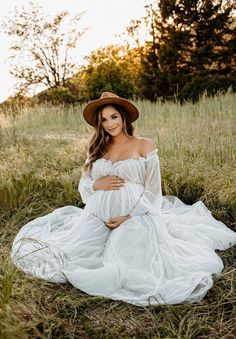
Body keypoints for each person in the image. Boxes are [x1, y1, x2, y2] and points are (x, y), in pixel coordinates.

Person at [11, 91, 236, 307]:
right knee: (74, 254)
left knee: (129, 260)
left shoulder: (144, 145)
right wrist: (96, 184)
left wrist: (128, 216)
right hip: (97, 214)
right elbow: (85, 184)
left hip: (135, 216)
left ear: (123, 117)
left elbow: (152, 189)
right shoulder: (96, 149)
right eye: (104, 120)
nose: (110, 124)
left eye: (114, 117)